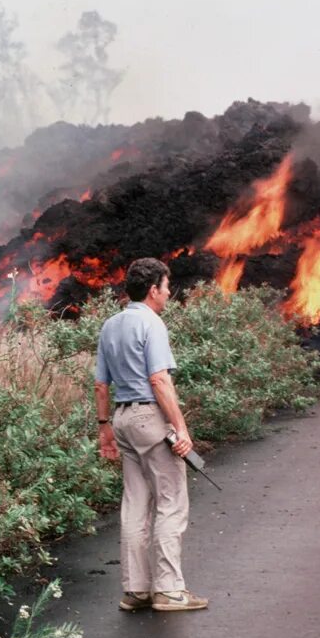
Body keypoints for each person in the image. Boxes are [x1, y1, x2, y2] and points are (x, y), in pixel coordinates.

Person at [94, 257, 208, 612]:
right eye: (166, 286)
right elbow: (159, 380)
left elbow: (101, 384)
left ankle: (137, 590)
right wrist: (181, 428)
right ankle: (170, 590)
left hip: (123, 419)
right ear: (152, 289)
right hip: (149, 416)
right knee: (171, 501)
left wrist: (104, 430)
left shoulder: (110, 325)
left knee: (135, 504)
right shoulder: (152, 323)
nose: (169, 292)